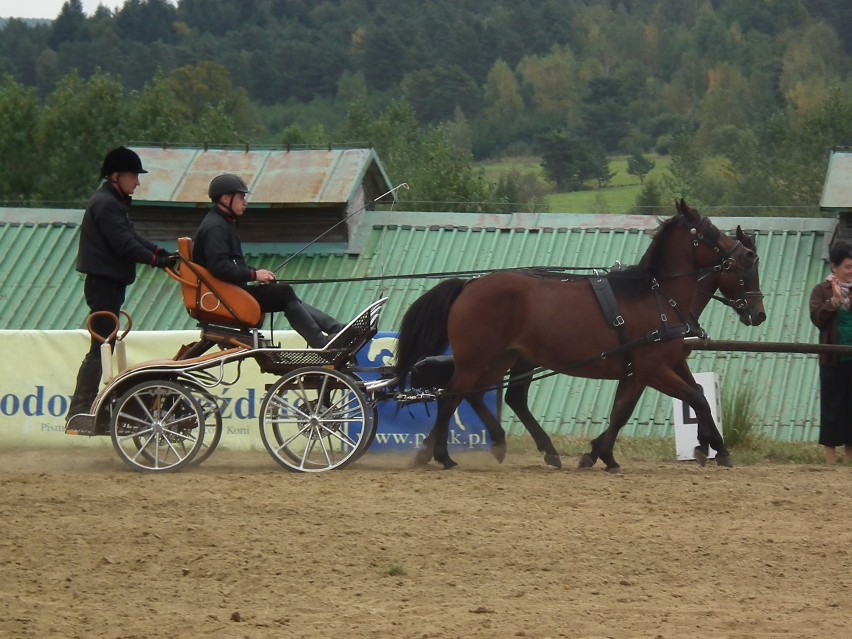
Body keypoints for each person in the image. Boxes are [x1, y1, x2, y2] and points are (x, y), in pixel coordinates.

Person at [66, 146, 176, 421]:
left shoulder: (112, 203)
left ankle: (87, 406)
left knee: (106, 343)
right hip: (104, 284)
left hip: (110, 284)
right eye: (133, 176)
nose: (137, 182)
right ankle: (80, 408)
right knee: (101, 344)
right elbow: (123, 244)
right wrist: (154, 260)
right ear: (115, 176)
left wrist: (160, 253)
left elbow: (133, 238)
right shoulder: (105, 204)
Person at [192, 173, 344, 348]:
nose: (245, 202)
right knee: (283, 293)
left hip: (230, 292)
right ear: (225, 199)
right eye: (241, 197)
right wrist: (254, 275)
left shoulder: (221, 223)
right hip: (227, 298)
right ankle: (323, 341)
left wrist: (258, 274)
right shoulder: (215, 227)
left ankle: (335, 330)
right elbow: (219, 267)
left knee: (282, 293)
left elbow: (232, 264)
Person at [809, 239, 852, 465]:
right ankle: (830, 458)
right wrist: (833, 302)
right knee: (832, 406)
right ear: (834, 267)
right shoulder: (821, 290)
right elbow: (818, 319)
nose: (851, 272)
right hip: (832, 358)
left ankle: (850, 457)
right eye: (848, 267)